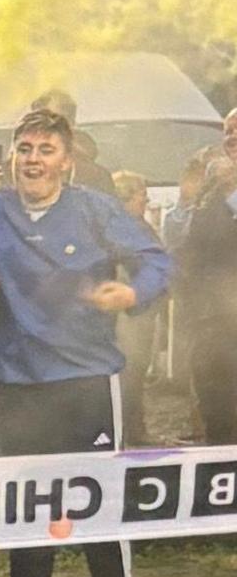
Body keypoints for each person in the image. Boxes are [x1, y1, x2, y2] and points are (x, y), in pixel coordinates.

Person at [0, 108, 170, 577]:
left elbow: (156, 260)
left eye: (45, 150)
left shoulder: (93, 209)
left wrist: (132, 295)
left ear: (67, 162)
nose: (33, 159)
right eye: (25, 149)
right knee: (28, 511)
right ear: (13, 158)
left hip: (86, 381)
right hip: (17, 383)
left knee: (99, 507)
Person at [179, 151, 237, 444]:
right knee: (218, 404)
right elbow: (192, 251)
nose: (231, 137)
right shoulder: (210, 197)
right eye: (227, 131)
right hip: (214, 321)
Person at [110, 171, 161, 446]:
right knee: (129, 374)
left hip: (140, 313)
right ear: (127, 197)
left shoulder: (136, 225)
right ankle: (131, 433)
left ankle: (134, 429)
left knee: (135, 374)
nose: (146, 199)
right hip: (129, 316)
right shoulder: (125, 229)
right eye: (142, 194)